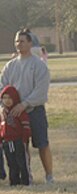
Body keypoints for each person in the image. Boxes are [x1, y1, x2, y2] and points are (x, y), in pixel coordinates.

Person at [0, 29, 53, 183]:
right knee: (20, 146)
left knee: (42, 143)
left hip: (33, 110)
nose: (19, 44)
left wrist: (24, 104)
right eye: (17, 41)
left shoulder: (38, 65)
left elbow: (41, 90)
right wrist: (3, 106)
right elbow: (2, 87)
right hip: (13, 114)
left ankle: (49, 175)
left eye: (22, 41)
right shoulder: (10, 66)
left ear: (30, 43)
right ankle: (24, 176)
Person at [0, 85, 31, 185]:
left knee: (21, 161)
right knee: (11, 162)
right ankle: (14, 181)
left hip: (18, 141)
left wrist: (24, 139)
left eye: (10, 98)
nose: (7, 100)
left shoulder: (19, 112)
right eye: (4, 98)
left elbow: (26, 126)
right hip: (7, 142)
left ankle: (25, 181)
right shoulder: (3, 113)